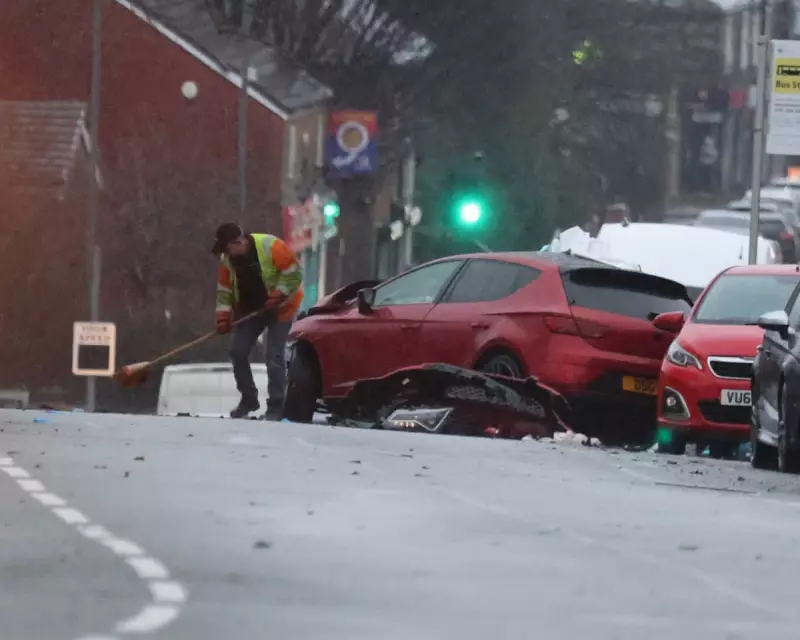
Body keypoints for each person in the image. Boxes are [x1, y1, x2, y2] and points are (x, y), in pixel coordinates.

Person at [212, 223, 304, 420]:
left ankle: (276, 406)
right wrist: (222, 318)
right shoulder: (227, 260)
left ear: (238, 241)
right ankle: (249, 399)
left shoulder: (271, 246)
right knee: (238, 352)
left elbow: (294, 273)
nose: (227, 254)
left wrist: (278, 295)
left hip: (281, 309)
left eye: (228, 248)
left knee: (274, 357)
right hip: (250, 311)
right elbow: (224, 291)